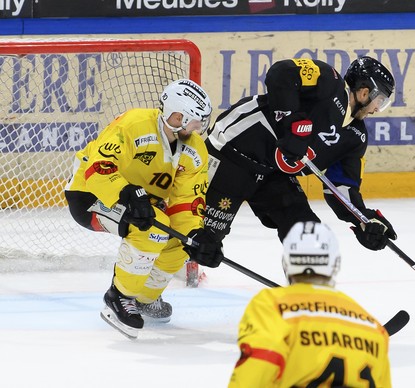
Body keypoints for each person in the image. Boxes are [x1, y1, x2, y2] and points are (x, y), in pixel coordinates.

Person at [194, 56, 397, 269]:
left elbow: (342, 187)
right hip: (233, 154)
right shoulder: (328, 80)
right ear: (365, 92)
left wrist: (363, 219)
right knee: (201, 241)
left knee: (309, 237)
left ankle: (304, 297)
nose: (377, 109)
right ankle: (157, 290)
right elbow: (281, 72)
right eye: (380, 100)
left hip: (273, 176)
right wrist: (293, 122)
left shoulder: (356, 137)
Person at [64, 79, 223, 339]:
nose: (199, 128)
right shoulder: (134, 124)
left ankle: (144, 299)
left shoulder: (195, 150)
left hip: (143, 203)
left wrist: (196, 234)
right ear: (178, 115)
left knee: (181, 242)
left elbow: (186, 200)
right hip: (90, 194)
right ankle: (119, 297)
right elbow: (98, 168)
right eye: (196, 121)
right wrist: (126, 194)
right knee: (152, 230)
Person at [228, 221, 392, 387]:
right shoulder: (374, 329)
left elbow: (252, 376)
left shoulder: (271, 305)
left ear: (286, 262)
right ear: (336, 264)